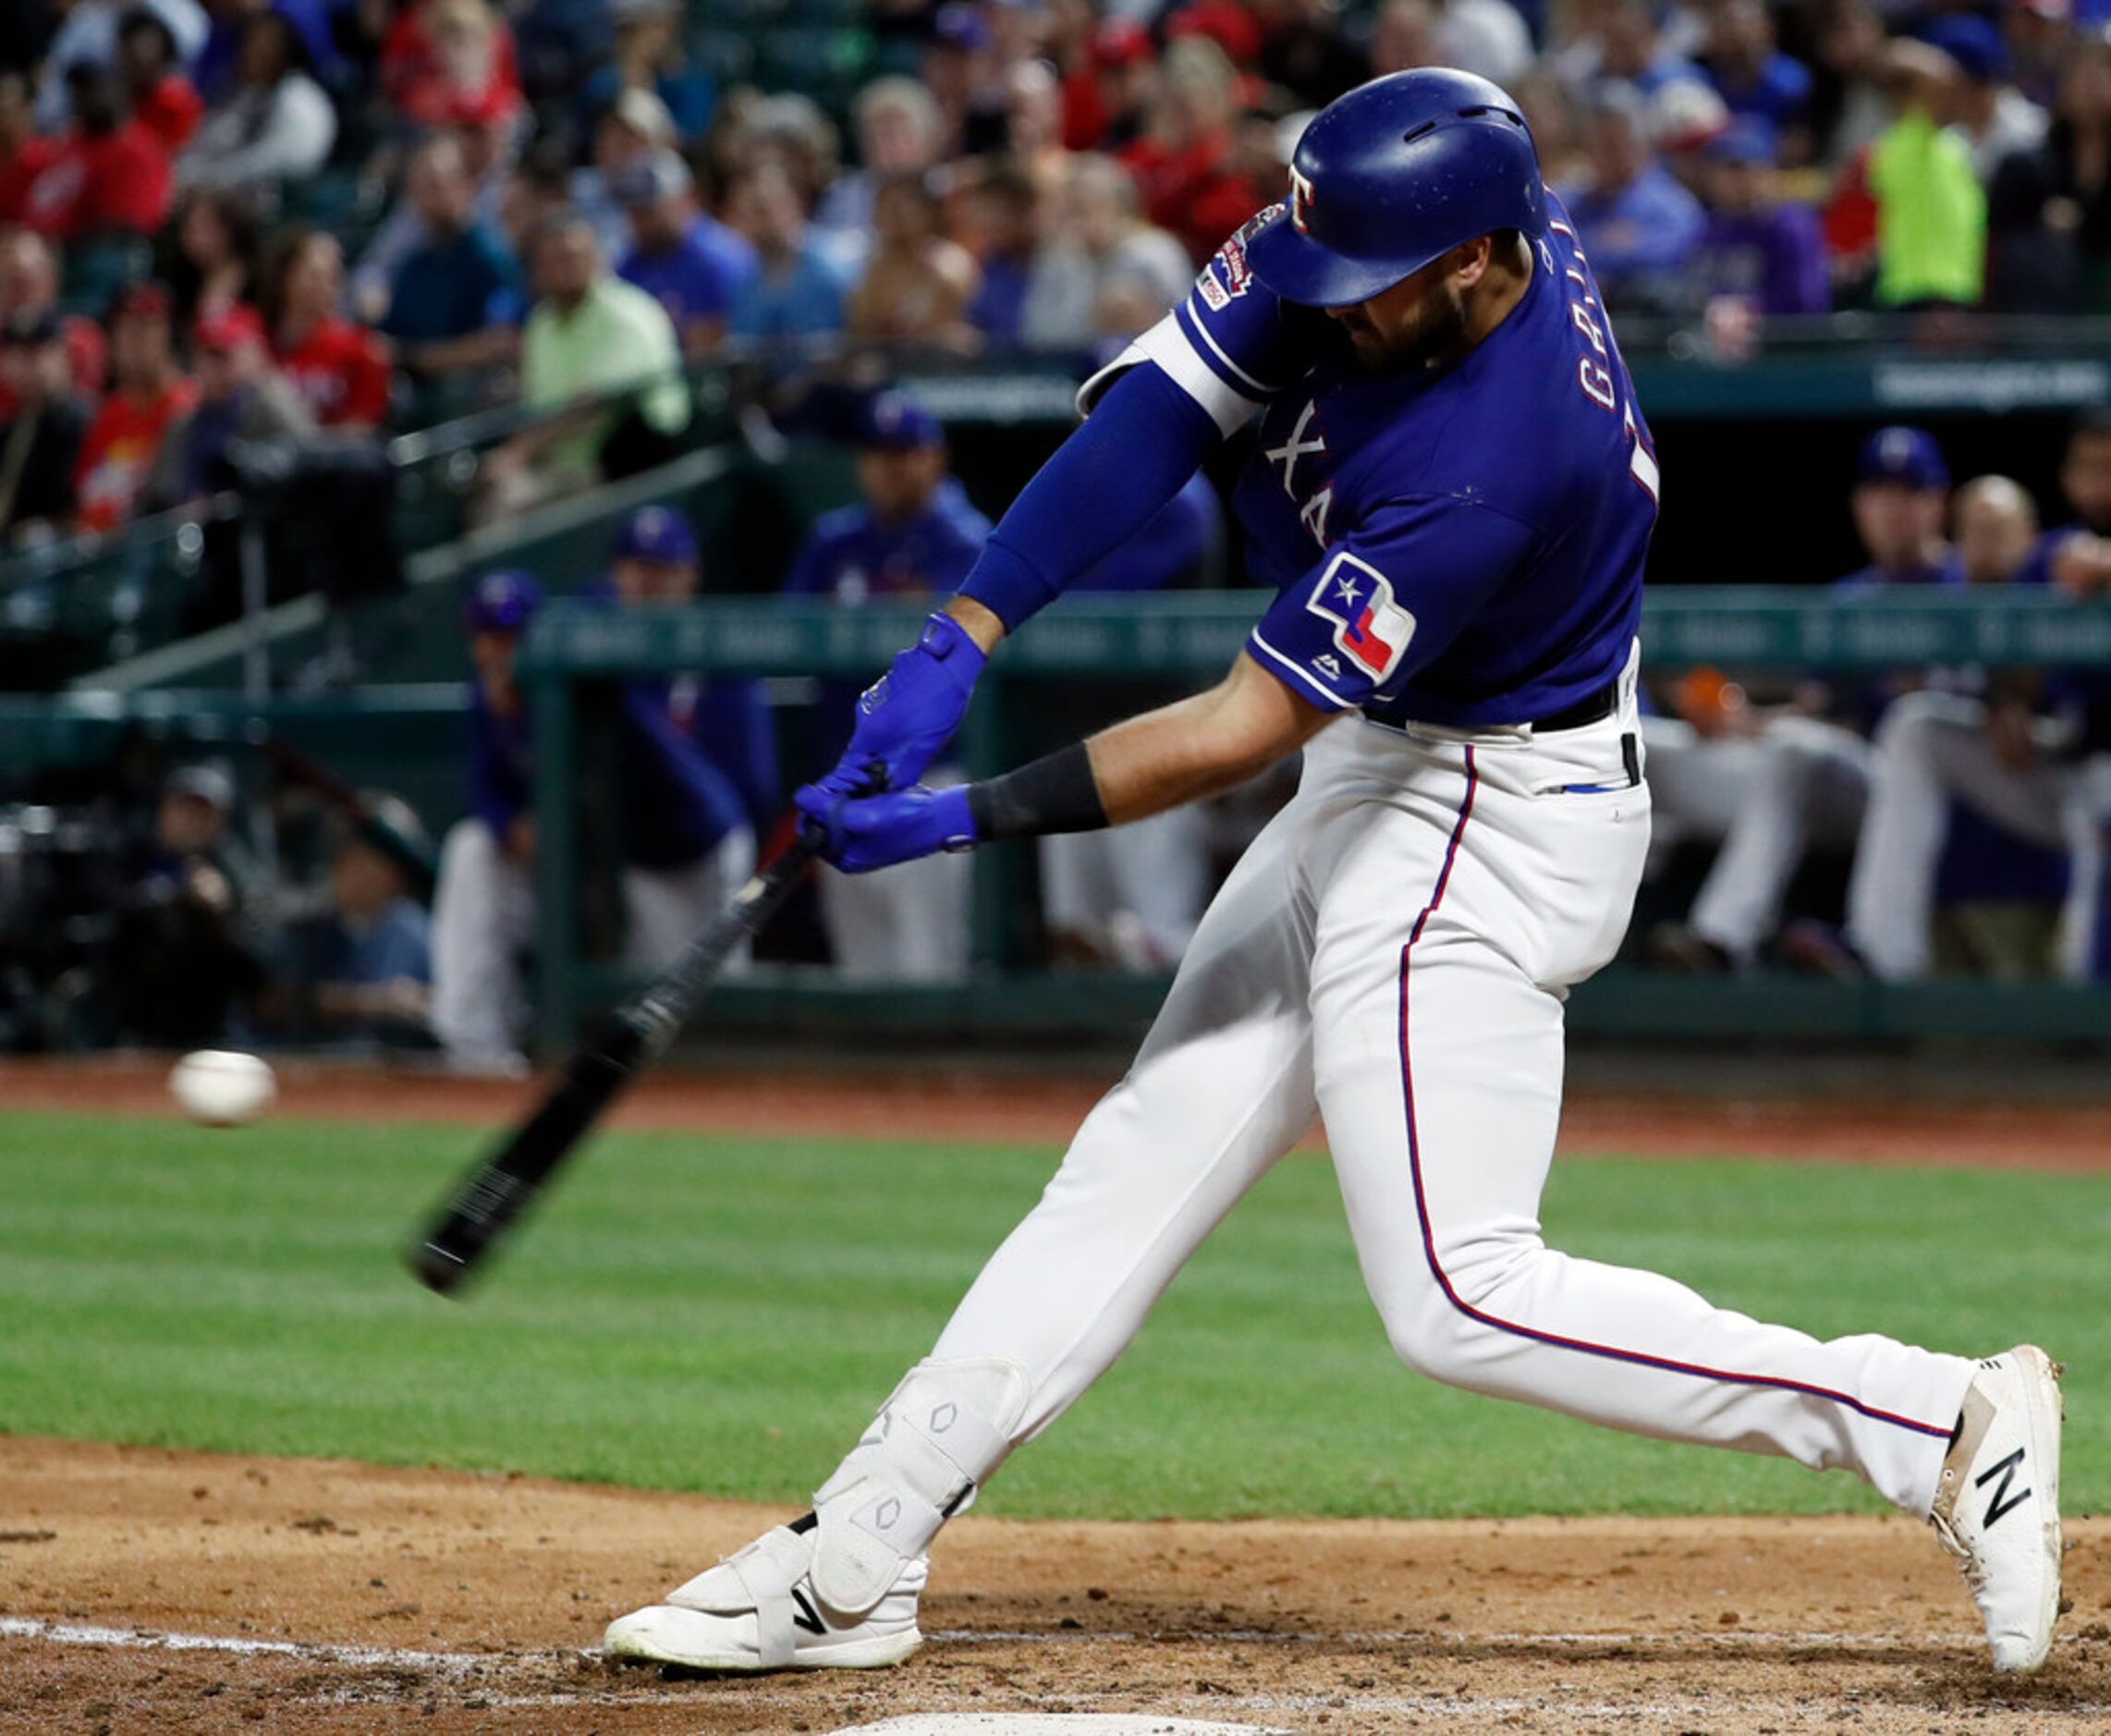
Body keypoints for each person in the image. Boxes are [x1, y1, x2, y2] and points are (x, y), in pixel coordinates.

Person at [604, 70, 2062, 1680]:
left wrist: (961, 816)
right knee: (1133, 1159)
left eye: (1364, 291)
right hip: (1405, 763)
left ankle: (1936, 1417)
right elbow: (1164, 404)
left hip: (1485, 813)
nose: (1327, 309)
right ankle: (854, 1551)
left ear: (1471, 267)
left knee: (1454, 1289)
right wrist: (959, 631)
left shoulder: (1493, 455)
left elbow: (1238, 724)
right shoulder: (1406, 218)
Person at [430, 532, 777, 1070]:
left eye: (510, 635)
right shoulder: (488, 689)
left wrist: (561, 824)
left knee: (695, 1028)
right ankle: (473, 1047)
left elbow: (659, 793)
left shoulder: (590, 686)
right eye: (485, 634)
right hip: (601, 859)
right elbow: (484, 785)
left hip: (680, 849)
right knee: (472, 848)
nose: (496, 650)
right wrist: (509, 825)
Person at [1653, 426, 1962, 974]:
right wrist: (1741, 722)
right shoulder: (1852, 598)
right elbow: (1818, 713)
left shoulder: (1967, 585)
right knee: (1789, 751)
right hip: (1862, 783)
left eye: (1909, 493)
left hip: (1939, 789)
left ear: (1936, 501)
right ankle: (1721, 940)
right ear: (1860, 505)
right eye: (1880, 493)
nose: (1893, 509)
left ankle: (1856, 948)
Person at [781, 392, 988, 982]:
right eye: (879, 453)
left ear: (935, 459)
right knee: (861, 960)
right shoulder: (833, 542)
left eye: (905, 452)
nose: (891, 466)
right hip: (845, 775)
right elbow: (783, 634)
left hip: (933, 775)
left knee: (933, 961)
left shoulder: (966, 541)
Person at [478, 211, 688, 516]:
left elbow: (596, 403)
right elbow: (537, 404)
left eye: (575, 257)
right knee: (488, 497)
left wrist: (518, 452)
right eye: (556, 260)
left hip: (624, 469)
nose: (568, 268)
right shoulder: (541, 322)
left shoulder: (627, 314)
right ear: (537, 270)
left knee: (506, 511)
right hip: (559, 468)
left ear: (597, 258)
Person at [372, 133, 523, 385]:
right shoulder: (416, 264)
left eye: (438, 184)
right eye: (422, 186)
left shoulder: (489, 254)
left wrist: (417, 357)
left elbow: (500, 341)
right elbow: (389, 338)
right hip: (414, 387)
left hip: (473, 393)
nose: (431, 196)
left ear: (466, 184)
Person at [1562, 91, 1706, 312]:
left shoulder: (1672, 203)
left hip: (1652, 329)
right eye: (1602, 146)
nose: (1613, 155)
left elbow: (1677, 254)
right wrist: (1609, 245)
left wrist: (1601, 253)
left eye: (1620, 143)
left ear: (1642, 145)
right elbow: (1558, 258)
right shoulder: (1571, 201)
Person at [73, 282, 197, 533]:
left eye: (146, 329)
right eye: (125, 330)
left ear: (168, 334)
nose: (134, 342)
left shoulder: (187, 407)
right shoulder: (110, 412)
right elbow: (83, 492)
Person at [612, 148, 755, 360]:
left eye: (651, 208)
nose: (642, 220)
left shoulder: (718, 257)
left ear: (686, 199)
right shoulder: (630, 263)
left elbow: (710, 347)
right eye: (634, 210)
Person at [177, 8, 336, 191]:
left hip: (275, 198)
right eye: (251, 41)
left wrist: (203, 178)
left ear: (287, 51)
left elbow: (271, 163)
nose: (252, 51)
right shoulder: (242, 89)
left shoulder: (299, 101)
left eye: (267, 45)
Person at [1692, 120, 1829, 316]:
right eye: (1724, 170)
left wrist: (1744, 310)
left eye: (1742, 169)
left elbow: (1806, 299)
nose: (1734, 180)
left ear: (1768, 172)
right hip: (1716, 341)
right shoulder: (1710, 229)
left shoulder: (1790, 226)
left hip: (1783, 342)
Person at [262, 228, 391, 430]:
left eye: (333, 277)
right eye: (315, 276)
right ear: (284, 277)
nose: (326, 286)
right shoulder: (253, 342)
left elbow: (362, 430)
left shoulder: (362, 350)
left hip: (329, 456)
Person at [725, 158, 855, 344]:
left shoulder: (832, 266)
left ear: (794, 203)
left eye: (762, 209)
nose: (754, 223)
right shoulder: (748, 278)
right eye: (746, 212)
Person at [845, 170, 980, 346]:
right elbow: (860, 328)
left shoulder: (951, 263)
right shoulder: (874, 268)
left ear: (927, 211)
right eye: (885, 205)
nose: (893, 215)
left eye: (903, 205)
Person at [0, 310, 93, 546]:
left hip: (58, 557)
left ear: (62, 356)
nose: (25, 368)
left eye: (34, 355)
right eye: (16, 355)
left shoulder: (82, 421)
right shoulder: (12, 427)